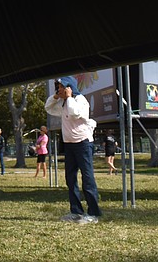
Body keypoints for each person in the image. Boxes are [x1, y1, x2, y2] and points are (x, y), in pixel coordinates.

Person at [44, 76, 102, 224]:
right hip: (69, 144)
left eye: (61, 87)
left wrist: (69, 97)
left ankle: (93, 213)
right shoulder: (63, 103)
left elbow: (75, 113)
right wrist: (57, 96)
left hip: (83, 144)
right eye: (57, 87)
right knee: (71, 179)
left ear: (69, 87)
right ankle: (76, 211)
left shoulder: (80, 100)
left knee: (87, 178)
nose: (58, 90)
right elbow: (48, 107)